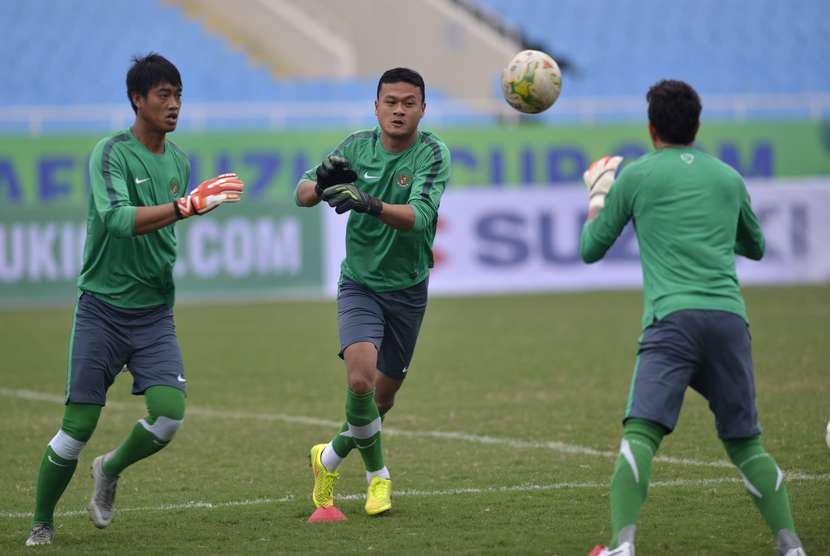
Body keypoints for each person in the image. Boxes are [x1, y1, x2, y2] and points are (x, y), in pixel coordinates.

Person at [24, 53, 244, 546]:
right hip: (102, 309)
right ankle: (42, 521)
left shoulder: (180, 159)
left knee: (169, 416)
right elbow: (119, 221)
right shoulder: (111, 153)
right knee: (76, 428)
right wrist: (186, 205)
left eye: (179, 95)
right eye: (163, 95)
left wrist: (184, 208)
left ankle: (110, 469)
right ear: (136, 100)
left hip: (154, 313)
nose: (174, 105)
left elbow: (168, 223)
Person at [582, 80, 806, 556]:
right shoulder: (727, 177)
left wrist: (599, 194)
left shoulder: (638, 177)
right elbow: (757, 247)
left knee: (641, 431)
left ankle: (623, 546)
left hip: (673, 321)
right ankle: (792, 547)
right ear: (697, 126)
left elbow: (590, 249)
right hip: (728, 320)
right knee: (746, 444)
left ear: (650, 128)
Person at [295, 67, 450, 516]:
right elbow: (301, 193)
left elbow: (420, 216)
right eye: (390, 102)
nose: (398, 110)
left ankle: (327, 458)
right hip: (360, 283)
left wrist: (368, 203)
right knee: (360, 379)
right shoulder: (355, 146)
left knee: (382, 399)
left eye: (408, 103)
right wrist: (321, 182)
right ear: (376, 105)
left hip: (408, 289)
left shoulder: (433, 153)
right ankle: (377, 478)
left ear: (423, 108)